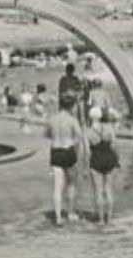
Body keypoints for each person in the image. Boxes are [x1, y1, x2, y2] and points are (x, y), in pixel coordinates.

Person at [47, 96, 85, 226]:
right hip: (68, 151)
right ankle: (70, 212)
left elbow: (47, 134)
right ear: (72, 106)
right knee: (71, 184)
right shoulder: (72, 120)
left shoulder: (52, 119)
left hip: (56, 151)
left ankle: (57, 217)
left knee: (57, 187)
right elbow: (79, 137)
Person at [87, 105, 119, 224]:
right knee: (108, 190)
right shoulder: (108, 128)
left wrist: (86, 166)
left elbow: (86, 151)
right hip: (110, 158)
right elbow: (115, 146)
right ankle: (109, 219)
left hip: (96, 159)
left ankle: (101, 220)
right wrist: (117, 160)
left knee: (98, 191)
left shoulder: (88, 131)